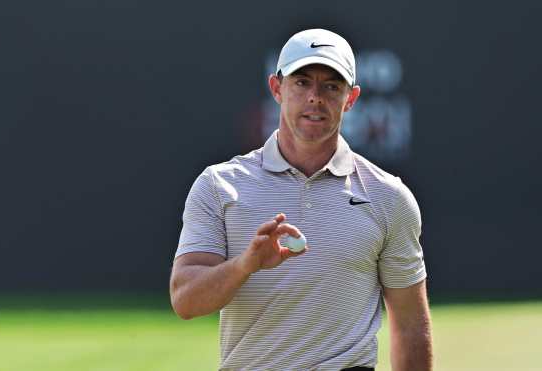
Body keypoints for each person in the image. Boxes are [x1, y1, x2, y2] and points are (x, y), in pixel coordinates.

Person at [170, 28, 433, 371]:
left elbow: (411, 325)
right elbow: (185, 300)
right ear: (276, 88)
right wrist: (244, 265)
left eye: (331, 86)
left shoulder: (389, 196)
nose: (315, 97)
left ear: (351, 98)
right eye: (302, 82)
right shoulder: (219, 185)